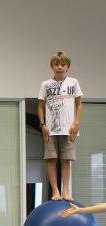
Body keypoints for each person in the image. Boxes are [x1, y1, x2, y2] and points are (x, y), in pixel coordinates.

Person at [38, 51, 83, 201]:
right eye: (56, 64)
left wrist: (76, 123)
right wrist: (43, 124)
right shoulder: (46, 84)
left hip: (69, 128)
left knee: (66, 160)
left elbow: (79, 104)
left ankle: (66, 191)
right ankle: (55, 191)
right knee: (51, 159)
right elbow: (40, 106)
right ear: (52, 67)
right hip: (51, 130)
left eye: (62, 64)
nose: (59, 67)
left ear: (67, 67)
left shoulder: (74, 82)